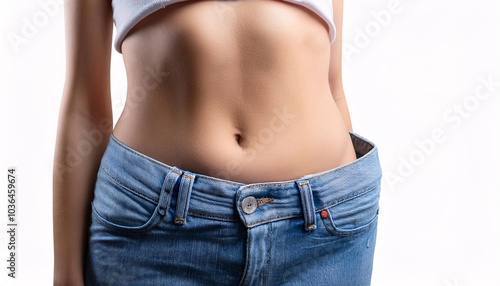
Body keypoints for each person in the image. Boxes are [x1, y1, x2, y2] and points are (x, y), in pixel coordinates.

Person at [53, 0, 382, 285]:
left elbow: (331, 84)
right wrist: (66, 275)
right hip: (157, 233)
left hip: (324, 232)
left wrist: (340, 198)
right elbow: (86, 107)